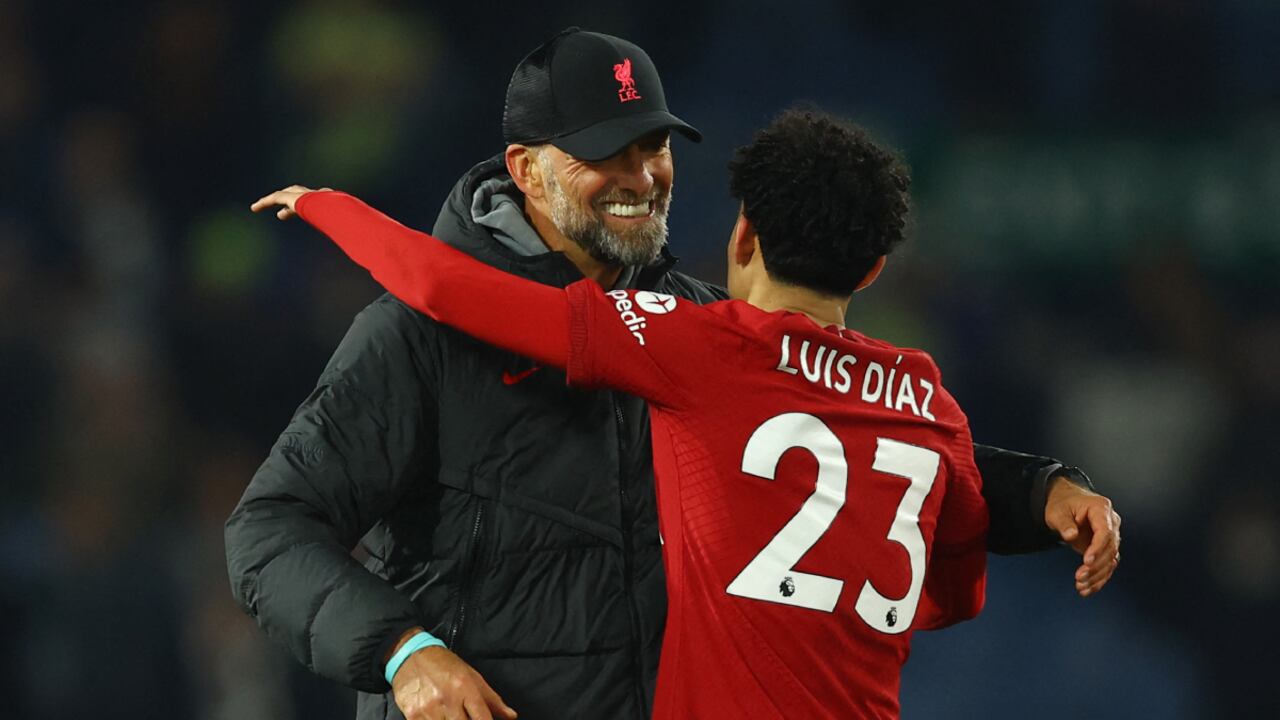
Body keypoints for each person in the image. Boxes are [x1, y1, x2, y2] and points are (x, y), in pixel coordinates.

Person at [226, 27, 1120, 720]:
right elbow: (267, 535)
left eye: (654, 145)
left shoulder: (709, 332)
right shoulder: (416, 338)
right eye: (606, 150)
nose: (642, 175)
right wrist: (399, 652)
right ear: (525, 170)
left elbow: (874, 442)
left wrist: (1043, 491)